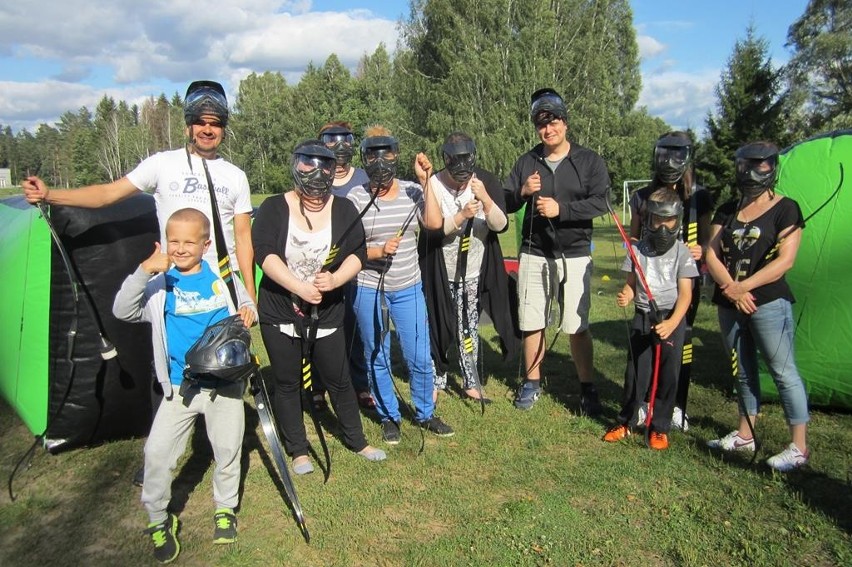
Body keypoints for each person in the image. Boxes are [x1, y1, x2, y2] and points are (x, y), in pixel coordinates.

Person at [23, 80, 255, 487]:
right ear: (187, 126)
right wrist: (52, 196)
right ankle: (159, 454)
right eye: (200, 122)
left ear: (223, 128)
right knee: (165, 366)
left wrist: (247, 295)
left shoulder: (235, 176)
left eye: (215, 123)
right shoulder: (161, 164)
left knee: (224, 368)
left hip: (219, 288)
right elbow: (109, 194)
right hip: (172, 283)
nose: (207, 129)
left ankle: (223, 449)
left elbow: (243, 239)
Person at [112, 208, 257, 563]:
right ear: (164, 241)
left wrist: (249, 309)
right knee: (158, 454)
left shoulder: (221, 277)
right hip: (180, 387)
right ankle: (158, 518)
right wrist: (144, 269)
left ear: (205, 244)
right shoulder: (160, 286)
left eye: (189, 242)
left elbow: (245, 302)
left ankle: (225, 509)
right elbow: (121, 310)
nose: (180, 248)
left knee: (227, 449)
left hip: (222, 386)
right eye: (173, 240)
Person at [252, 141, 386, 475]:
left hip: (327, 311)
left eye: (324, 167)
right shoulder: (272, 207)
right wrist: (298, 287)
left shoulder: (343, 209)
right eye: (308, 166)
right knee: (287, 381)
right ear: (296, 168)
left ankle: (357, 440)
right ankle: (298, 450)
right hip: (281, 308)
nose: (317, 174)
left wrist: (336, 279)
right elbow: (264, 253)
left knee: (339, 379)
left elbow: (357, 253)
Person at [704, 141, 810, 472]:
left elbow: (786, 260)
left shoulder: (787, 209)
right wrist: (729, 288)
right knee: (742, 370)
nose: (751, 173)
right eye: (745, 165)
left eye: (760, 166)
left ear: (771, 168)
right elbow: (711, 252)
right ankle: (745, 433)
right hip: (729, 302)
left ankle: (799, 447)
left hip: (768, 302)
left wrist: (744, 287)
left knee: (782, 371)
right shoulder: (727, 209)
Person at [504, 87, 610, 414]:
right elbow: (505, 201)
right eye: (541, 125)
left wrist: (562, 210)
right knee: (533, 319)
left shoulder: (588, 160)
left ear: (564, 122)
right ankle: (532, 383)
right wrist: (523, 191)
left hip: (576, 254)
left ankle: (587, 387)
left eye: (553, 123)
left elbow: (602, 201)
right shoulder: (527, 161)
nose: (547, 130)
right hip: (534, 253)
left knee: (576, 325)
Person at [348, 126, 451, 444]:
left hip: (407, 287)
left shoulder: (412, 191)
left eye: (387, 155)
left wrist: (425, 181)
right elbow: (349, 249)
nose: (381, 162)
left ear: (395, 157)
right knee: (376, 352)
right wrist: (377, 252)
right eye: (374, 156)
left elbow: (434, 224)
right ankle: (388, 416)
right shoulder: (355, 197)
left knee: (419, 355)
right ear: (365, 159)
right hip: (367, 287)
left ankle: (425, 412)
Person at [419, 132, 516, 403]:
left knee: (468, 325)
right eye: (455, 162)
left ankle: (470, 379)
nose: (461, 168)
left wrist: (485, 198)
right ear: (447, 160)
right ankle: (437, 377)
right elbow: (433, 232)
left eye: (466, 160)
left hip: (473, 270)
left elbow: (500, 225)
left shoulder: (485, 181)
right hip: (440, 272)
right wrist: (462, 216)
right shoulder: (434, 185)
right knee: (438, 324)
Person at [628, 131, 714, 430]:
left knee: (680, 345)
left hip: (684, 280)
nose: (669, 161)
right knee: (645, 346)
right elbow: (634, 238)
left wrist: (701, 250)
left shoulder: (698, 197)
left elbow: (707, 240)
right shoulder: (641, 196)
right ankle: (642, 403)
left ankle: (676, 404)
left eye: (677, 155)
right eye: (664, 154)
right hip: (651, 281)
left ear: (687, 158)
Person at [603, 189, 698, 450]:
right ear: (649, 220)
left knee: (668, 373)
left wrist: (672, 322)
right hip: (643, 316)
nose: (664, 228)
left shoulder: (683, 252)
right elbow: (631, 284)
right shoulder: (638, 250)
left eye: (669, 221)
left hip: (670, 318)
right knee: (635, 372)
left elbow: (686, 295)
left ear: (677, 221)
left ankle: (660, 427)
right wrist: (626, 294)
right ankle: (626, 420)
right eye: (658, 220)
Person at [310, 122, 375, 411]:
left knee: (355, 329)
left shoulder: (362, 177)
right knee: (318, 326)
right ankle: (317, 386)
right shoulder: (316, 174)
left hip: (354, 265)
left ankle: (360, 384)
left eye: (344, 139)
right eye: (330, 140)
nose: (338, 146)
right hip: (320, 265)